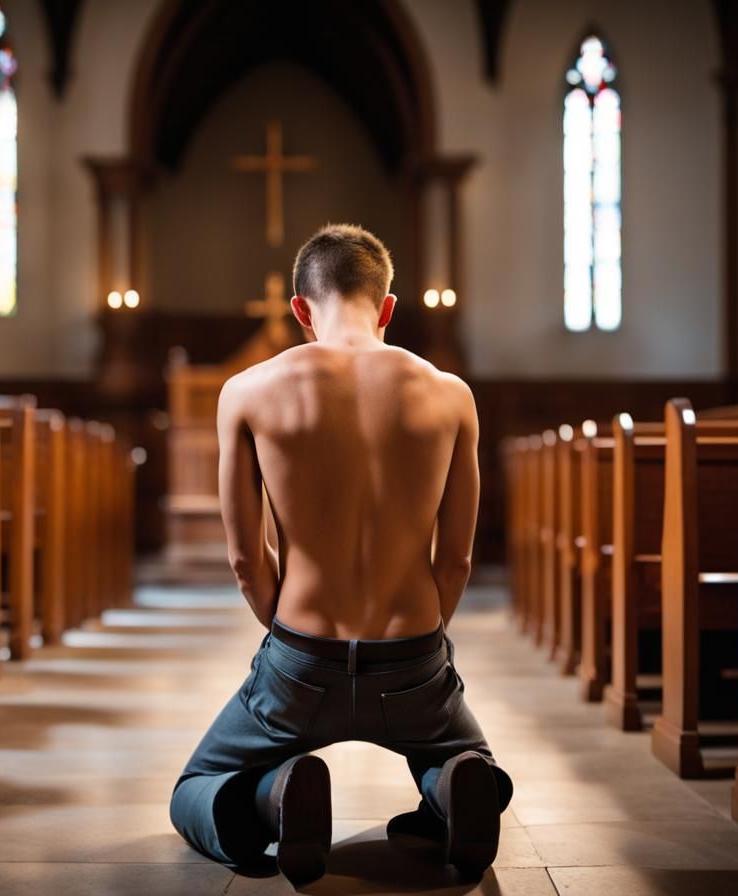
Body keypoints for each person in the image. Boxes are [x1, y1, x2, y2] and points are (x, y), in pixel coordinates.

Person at [169, 224, 513, 888]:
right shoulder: (451, 395)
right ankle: (451, 786)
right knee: (465, 757)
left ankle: (278, 795)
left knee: (198, 785)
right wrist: (420, 637)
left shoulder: (245, 391)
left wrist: (290, 638)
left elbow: (245, 557)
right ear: (387, 307)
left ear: (301, 309)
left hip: (303, 657)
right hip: (412, 654)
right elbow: (459, 560)